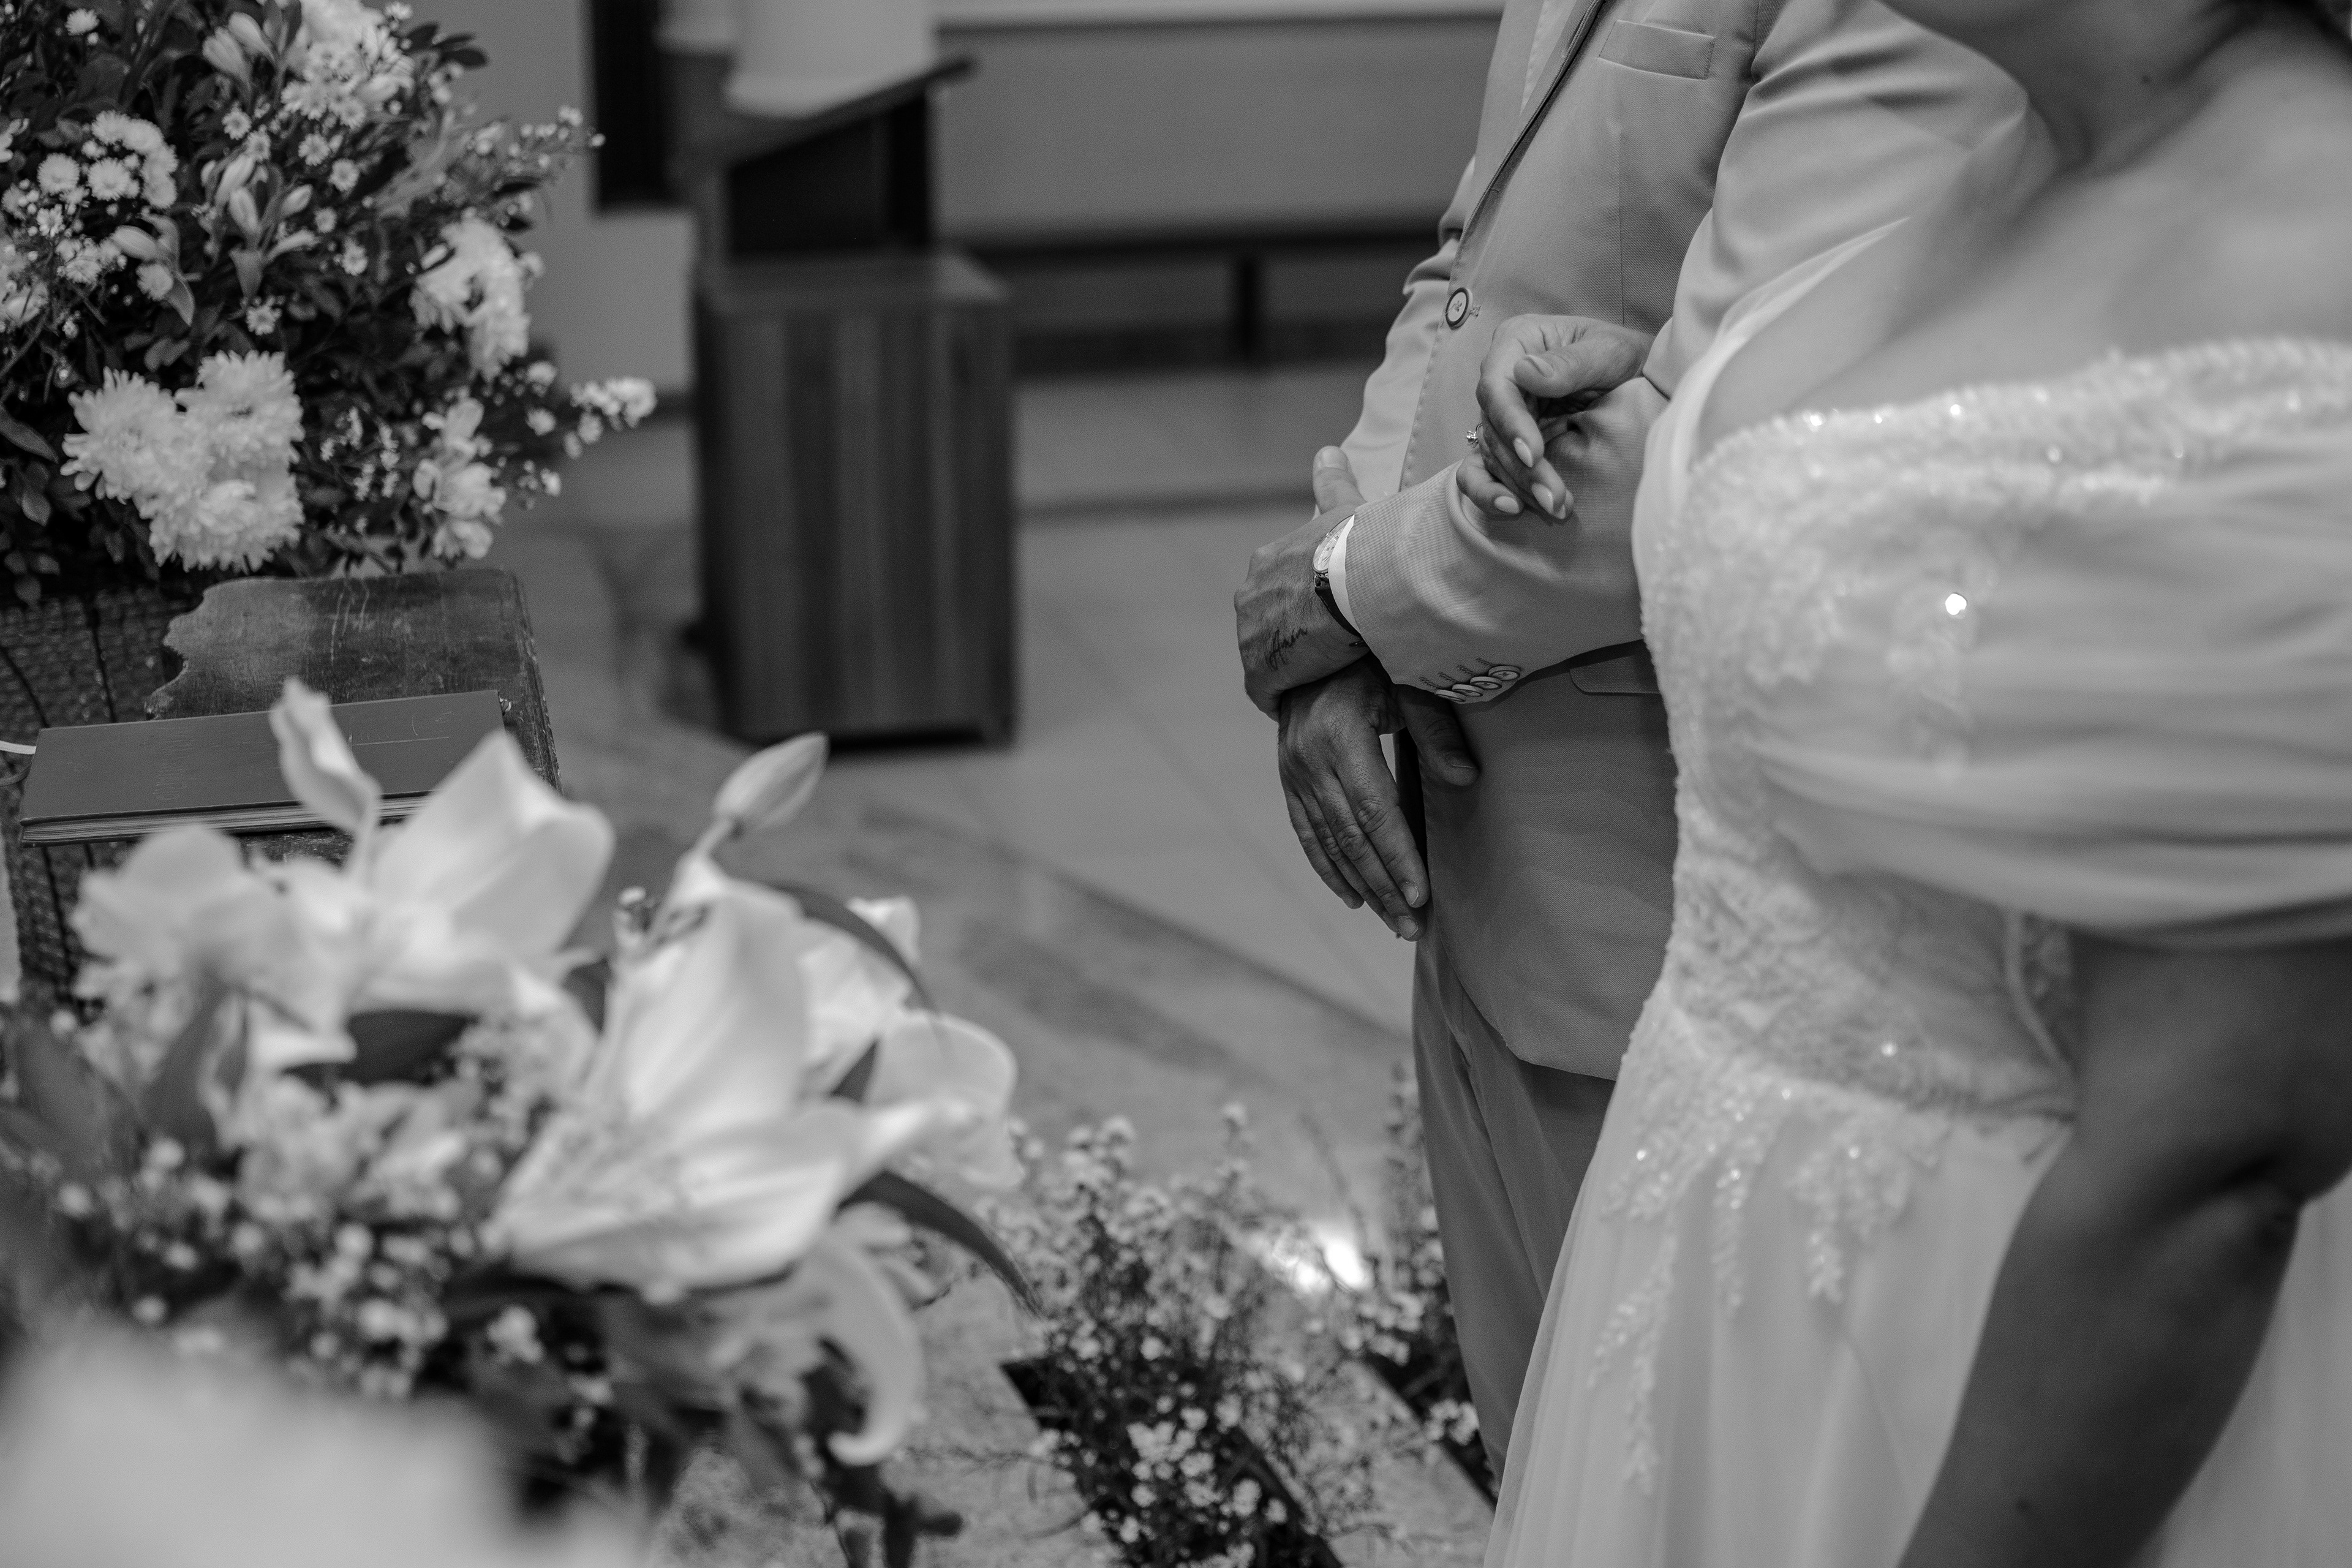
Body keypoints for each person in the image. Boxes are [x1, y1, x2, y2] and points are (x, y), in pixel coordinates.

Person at [1471, 1, 2352, 1562]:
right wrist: (1688, 418)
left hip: (1973, 1338)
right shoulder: (2014, 152)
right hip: (1714, 1266)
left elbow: (2208, 1168)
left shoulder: (2300, 269)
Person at [1231, 0, 2018, 1468]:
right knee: (1542, 1471)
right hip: (1470, 864)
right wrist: (1344, 611)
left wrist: (1345, 596)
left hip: (1659, 904)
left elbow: (1737, 429)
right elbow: (1465, 274)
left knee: (1691, 1479)